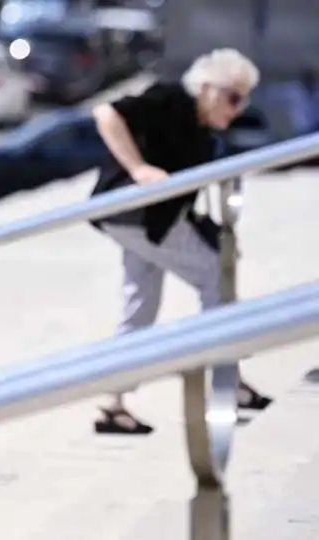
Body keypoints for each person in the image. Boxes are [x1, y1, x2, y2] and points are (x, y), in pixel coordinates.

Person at [89, 48, 273, 435]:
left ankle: (113, 403)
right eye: (233, 97)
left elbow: (185, 200)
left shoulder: (203, 132)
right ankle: (225, 384)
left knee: (140, 307)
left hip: (147, 221)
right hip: (138, 216)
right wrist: (138, 168)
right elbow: (105, 113)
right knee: (215, 279)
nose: (237, 109)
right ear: (206, 88)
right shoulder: (171, 98)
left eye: (243, 100)